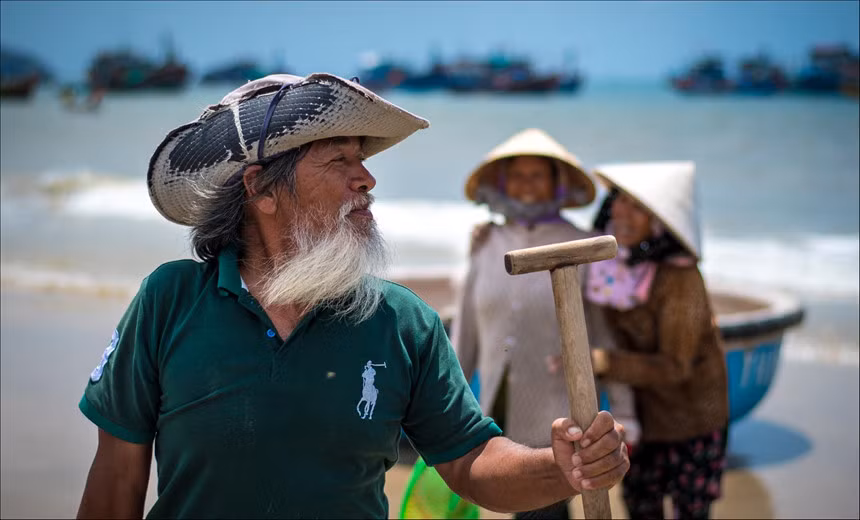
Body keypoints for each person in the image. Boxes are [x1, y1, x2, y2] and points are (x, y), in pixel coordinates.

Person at [75, 74, 629, 519]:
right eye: (338, 160)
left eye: (362, 158)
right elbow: (118, 477)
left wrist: (562, 468)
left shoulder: (400, 320)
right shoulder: (168, 301)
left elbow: (471, 461)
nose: (366, 179)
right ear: (260, 189)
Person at [451, 128, 639, 520]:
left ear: (558, 182)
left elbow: (605, 337)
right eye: (518, 176)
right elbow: (465, 332)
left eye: (538, 175)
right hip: (496, 407)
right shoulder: (485, 243)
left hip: (559, 413)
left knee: (546, 510)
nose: (527, 185)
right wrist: (442, 407)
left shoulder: (584, 244)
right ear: (502, 183)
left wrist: (625, 413)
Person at [585, 161, 729, 519]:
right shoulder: (609, 266)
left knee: (691, 513)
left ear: (660, 221)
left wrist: (603, 363)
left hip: (692, 420)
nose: (623, 212)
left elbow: (676, 365)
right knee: (640, 509)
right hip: (640, 419)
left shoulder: (680, 278)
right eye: (619, 200)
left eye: (638, 207)